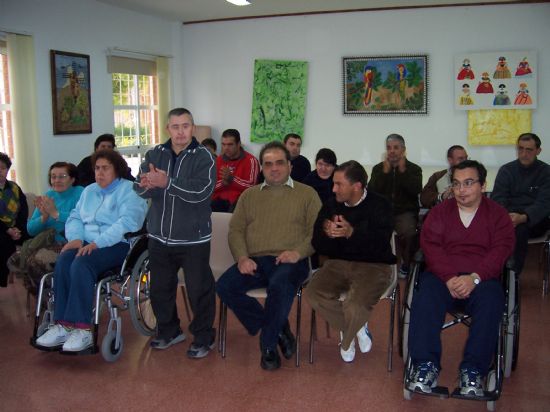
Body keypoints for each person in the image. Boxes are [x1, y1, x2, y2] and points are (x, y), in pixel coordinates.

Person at [407, 160, 514, 397]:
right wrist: (449, 278)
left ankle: (473, 370)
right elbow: (431, 246)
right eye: (456, 184)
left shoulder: (498, 216)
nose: (461, 190)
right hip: (443, 277)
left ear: (483, 185)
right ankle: (426, 365)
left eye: (468, 183)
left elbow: (501, 249)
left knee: (491, 301)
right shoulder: (439, 213)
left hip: (481, 279)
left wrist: (474, 278)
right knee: (425, 297)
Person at [216, 141, 321, 371]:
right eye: (268, 164)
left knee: (279, 284)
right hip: (256, 260)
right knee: (225, 286)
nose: (274, 168)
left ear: (289, 166)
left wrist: (298, 253)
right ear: (262, 168)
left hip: (292, 260)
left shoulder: (307, 194)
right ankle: (278, 328)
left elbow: (317, 233)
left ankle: (268, 346)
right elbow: (236, 230)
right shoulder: (249, 196)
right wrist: (242, 257)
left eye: (280, 163)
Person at [35, 150, 147, 351]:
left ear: (117, 169)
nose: (100, 173)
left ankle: (82, 329)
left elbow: (128, 222)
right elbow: (76, 217)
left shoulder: (130, 190)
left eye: (105, 168)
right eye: (97, 168)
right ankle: (62, 325)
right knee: (64, 260)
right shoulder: (89, 191)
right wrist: (76, 238)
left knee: (81, 263)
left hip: (117, 245)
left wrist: (98, 243)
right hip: (85, 242)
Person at [134, 107, 217, 359]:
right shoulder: (154, 154)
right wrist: (145, 185)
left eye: (185, 126)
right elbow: (140, 188)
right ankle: (169, 330)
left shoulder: (205, 157)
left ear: (192, 127)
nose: (181, 132)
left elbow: (201, 191)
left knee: (198, 290)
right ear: (167, 129)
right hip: (159, 236)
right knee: (160, 288)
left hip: (194, 239)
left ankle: (203, 336)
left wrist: (167, 182)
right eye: (175, 126)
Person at [306, 161, 396, 362]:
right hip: (338, 264)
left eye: (339, 184)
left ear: (357, 186)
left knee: (355, 305)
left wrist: (351, 233)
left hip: (375, 265)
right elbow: (317, 244)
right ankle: (356, 326)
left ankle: (346, 340)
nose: (333, 188)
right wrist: (327, 233)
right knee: (313, 293)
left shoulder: (380, 205)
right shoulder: (331, 204)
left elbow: (380, 244)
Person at [10, 162, 83, 294]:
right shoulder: (48, 195)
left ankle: (53, 296)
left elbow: (83, 219)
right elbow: (30, 229)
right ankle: (43, 296)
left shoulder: (81, 194)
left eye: (62, 176)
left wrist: (56, 213)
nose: (56, 180)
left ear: (72, 179)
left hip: (69, 243)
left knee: (34, 263)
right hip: (47, 242)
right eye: (53, 177)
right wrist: (43, 218)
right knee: (15, 260)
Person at [491, 133, 550, 274]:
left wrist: (523, 217)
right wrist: (508, 217)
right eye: (520, 149)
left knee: (519, 229)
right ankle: (493, 272)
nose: (524, 154)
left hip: (536, 221)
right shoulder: (506, 170)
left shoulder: (546, 172)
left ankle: (513, 274)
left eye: (529, 150)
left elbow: (544, 203)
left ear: (538, 151)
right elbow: (498, 198)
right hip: (508, 218)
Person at [368, 134, 422, 278]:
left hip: (404, 211)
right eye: (389, 148)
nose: (392, 151)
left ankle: (406, 264)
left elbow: (415, 190)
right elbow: (372, 191)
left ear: (403, 150)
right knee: (369, 230)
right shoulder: (378, 169)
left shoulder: (414, 169)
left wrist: (402, 171)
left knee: (409, 232)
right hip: (382, 211)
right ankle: (377, 266)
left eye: (396, 148)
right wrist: (385, 173)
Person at [211, 129, 259, 212]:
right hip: (218, 201)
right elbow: (210, 186)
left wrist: (232, 180)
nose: (226, 148)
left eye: (230, 144)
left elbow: (252, 187)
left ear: (238, 144)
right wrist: (223, 183)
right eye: (223, 144)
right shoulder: (218, 161)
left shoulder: (251, 160)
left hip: (241, 201)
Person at [0, 152, 28, 287]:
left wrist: (18, 228)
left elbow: (23, 210)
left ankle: (31, 282)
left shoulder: (14, 188)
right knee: (3, 242)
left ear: (7, 169)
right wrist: (7, 230)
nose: (0, 171)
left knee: (32, 238)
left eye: (2, 168)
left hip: (16, 227)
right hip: (1, 229)